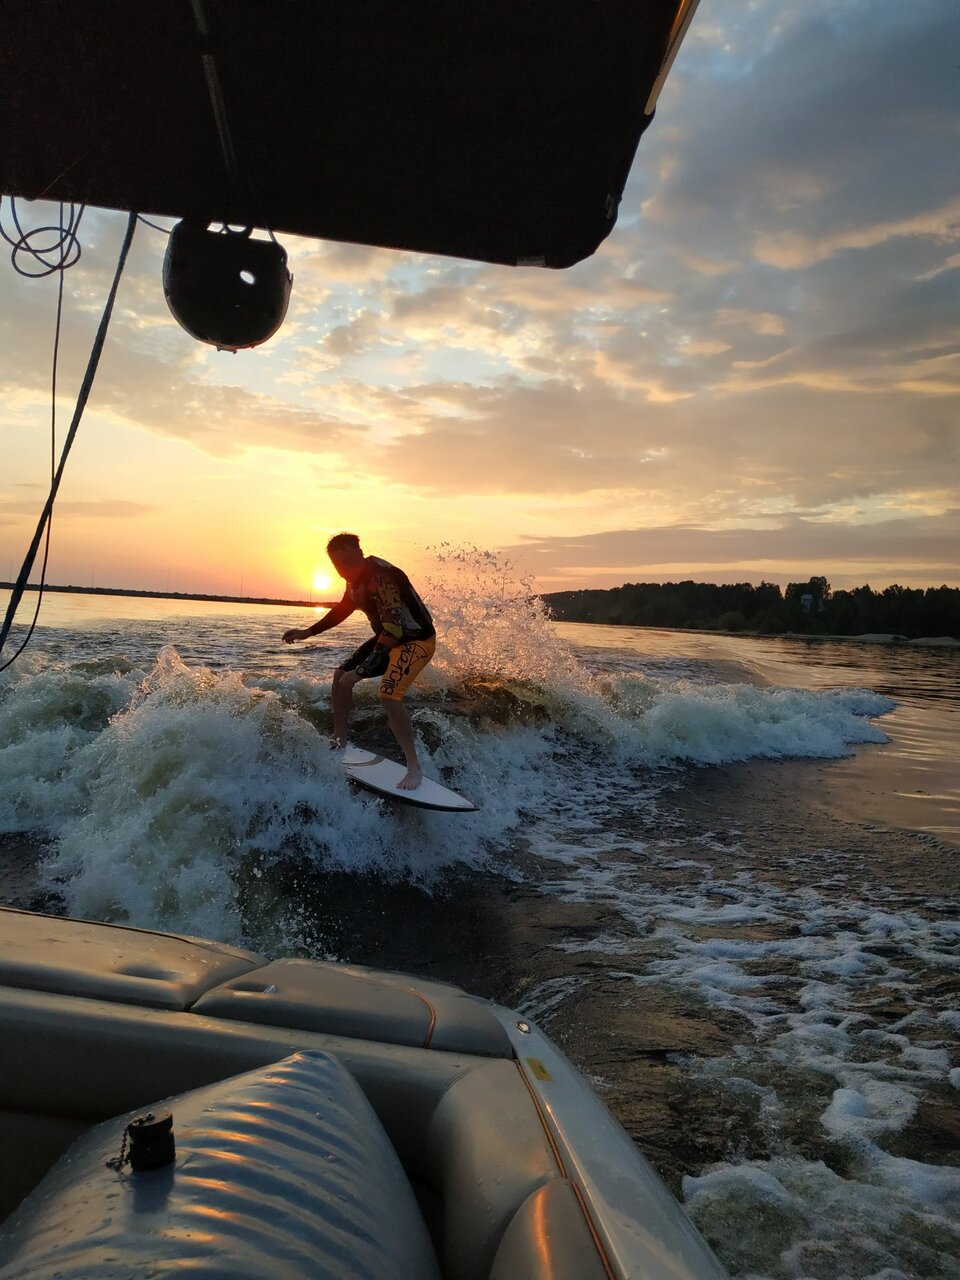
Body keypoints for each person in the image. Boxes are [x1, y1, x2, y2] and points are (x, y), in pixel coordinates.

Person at [282, 533, 436, 790]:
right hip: (387, 638)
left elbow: (394, 630)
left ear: (360, 554)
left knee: (388, 694)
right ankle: (340, 740)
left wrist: (362, 671)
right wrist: (308, 632)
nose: (345, 570)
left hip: (416, 640)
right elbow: (344, 608)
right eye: (339, 565)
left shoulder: (383, 578)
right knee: (340, 675)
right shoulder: (352, 580)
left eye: (349, 562)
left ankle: (414, 768)